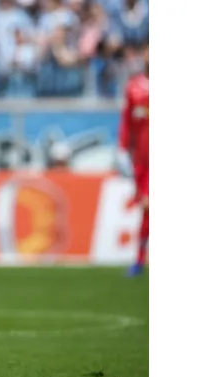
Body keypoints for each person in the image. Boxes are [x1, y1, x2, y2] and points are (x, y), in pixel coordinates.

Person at [117, 42, 148, 277]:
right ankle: (138, 260)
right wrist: (123, 148)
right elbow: (127, 120)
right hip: (142, 158)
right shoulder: (134, 86)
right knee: (146, 209)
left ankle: (139, 260)